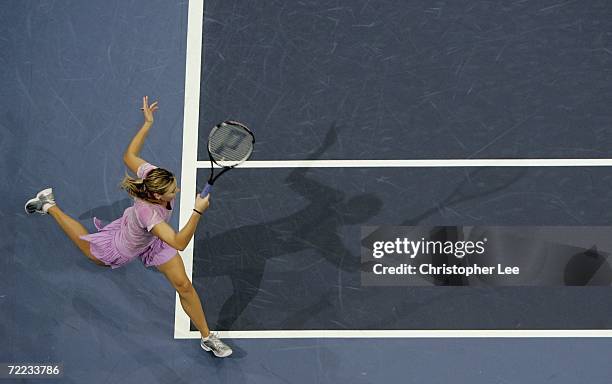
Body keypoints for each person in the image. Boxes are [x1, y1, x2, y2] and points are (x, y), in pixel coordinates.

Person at [24, 96, 232, 358]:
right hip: (124, 246)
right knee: (89, 249)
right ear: (157, 197)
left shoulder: (153, 177)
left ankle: (207, 337)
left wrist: (147, 124)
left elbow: (129, 156)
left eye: (174, 185)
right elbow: (178, 242)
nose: (176, 190)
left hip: (153, 241)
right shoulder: (149, 213)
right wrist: (197, 212)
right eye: (172, 191)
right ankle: (48, 205)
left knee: (184, 286)